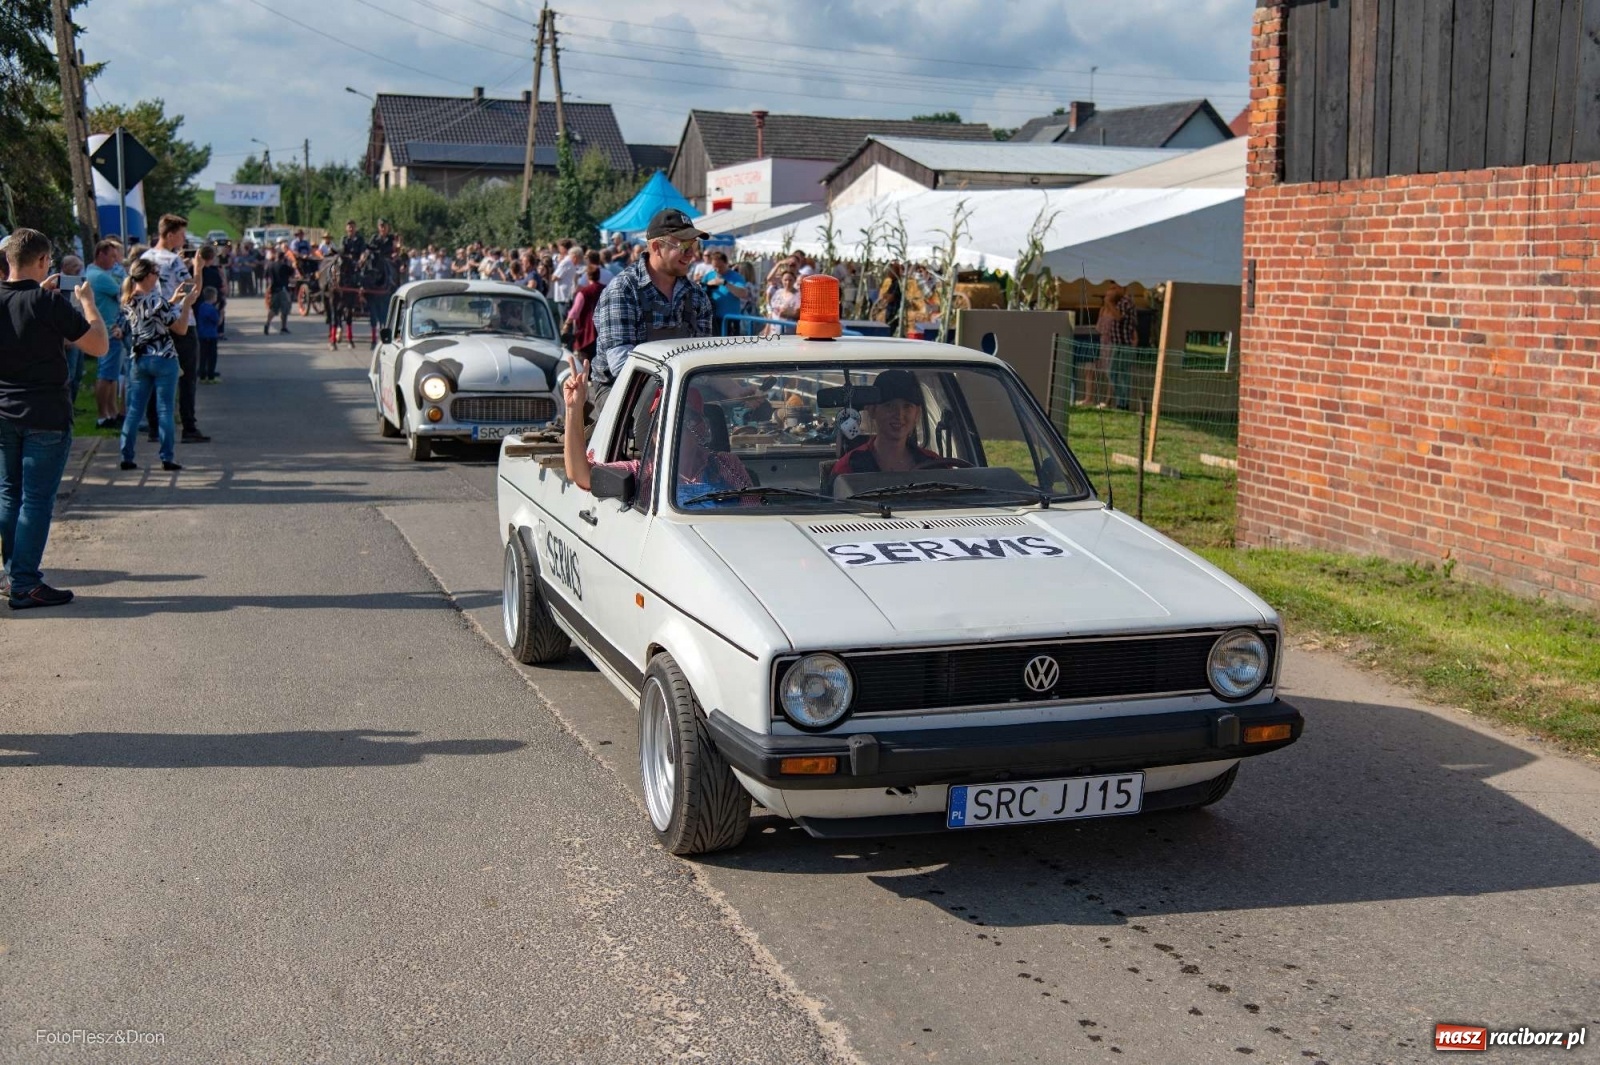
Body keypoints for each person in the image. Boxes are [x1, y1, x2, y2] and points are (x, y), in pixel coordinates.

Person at [0, 229, 109, 608]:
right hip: (45, 413)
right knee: (36, 500)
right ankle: (25, 583)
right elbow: (98, 344)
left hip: (4, 411)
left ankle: (13, 574)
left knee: (9, 494)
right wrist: (88, 303)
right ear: (44, 260)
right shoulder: (47, 303)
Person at [561, 362, 752, 509]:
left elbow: (753, 507)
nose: (666, 430)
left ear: (701, 428)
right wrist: (573, 409)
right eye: (659, 423)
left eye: (683, 421)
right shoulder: (643, 473)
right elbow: (581, 474)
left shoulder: (726, 464)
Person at [589, 208, 714, 420]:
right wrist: (678, 387)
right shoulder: (623, 290)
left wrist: (735, 388)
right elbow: (622, 366)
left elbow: (704, 355)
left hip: (680, 387)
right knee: (654, 423)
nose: (691, 254)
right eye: (684, 246)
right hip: (620, 388)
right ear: (656, 247)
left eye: (694, 245)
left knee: (719, 416)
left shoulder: (696, 296)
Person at [119, 257, 197, 473]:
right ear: (147, 276)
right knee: (165, 410)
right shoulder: (156, 300)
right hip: (164, 357)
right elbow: (180, 329)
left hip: (140, 359)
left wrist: (173, 300)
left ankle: (126, 456)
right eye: (155, 273)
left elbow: (152, 314)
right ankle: (166, 457)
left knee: (135, 410)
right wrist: (186, 305)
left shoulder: (128, 300)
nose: (157, 277)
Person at [141, 214, 210, 444]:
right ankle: (189, 426)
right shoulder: (173, 260)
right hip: (181, 320)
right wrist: (198, 269)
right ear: (170, 235)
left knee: (155, 374)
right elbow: (193, 290)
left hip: (154, 322)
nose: (183, 239)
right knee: (187, 376)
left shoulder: (145, 257)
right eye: (181, 234)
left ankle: (154, 426)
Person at [830, 369, 944, 477]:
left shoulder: (934, 464)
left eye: (907, 406)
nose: (899, 414)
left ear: (917, 413)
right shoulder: (848, 467)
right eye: (889, 405)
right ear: (872, 410)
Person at [86, 240, 127, 429]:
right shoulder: (100, 276)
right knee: (106, 375)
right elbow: (124, 293)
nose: (115, 261)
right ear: (100, 254)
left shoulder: (94, 273)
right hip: (109, 330)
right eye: (112, 256)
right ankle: (103, 416)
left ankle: (111, 412)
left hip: (107, 329)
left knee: (111, 376)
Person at [1094, 284, 1136, 409]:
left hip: (1124, 344)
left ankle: (1123, 403)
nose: (1110, 292)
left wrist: (1108, 303)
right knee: (1112, 373)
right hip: (1116, 344)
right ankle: (1120, 400)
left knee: (1123, 374)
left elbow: (1119, 317)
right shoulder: (1118, 303)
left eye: (1113, 288)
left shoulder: (1125, 302)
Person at [702, 251, 749, 336]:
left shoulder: (736, 277)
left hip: (730, 320)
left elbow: (743, 293)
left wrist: (725, 283)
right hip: (713, 319)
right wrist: (705, 286)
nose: (717, 270)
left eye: (720, 267)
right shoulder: (709, 276)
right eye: (715, 267)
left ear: (726, 263)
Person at [565, 264, 605, 362]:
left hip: (587, 330)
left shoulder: (584, 292)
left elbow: (575, 311)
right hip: (603, 329)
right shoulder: (606, 290)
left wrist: (566, 324)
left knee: (584, 360)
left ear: (587, 276)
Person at [264, 248, 293, 334]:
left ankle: (267, 323)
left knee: (273, 309)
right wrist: (290, 264)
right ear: (282, 258)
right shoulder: (284, 266)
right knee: (284, 310)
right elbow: (292, 272)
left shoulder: (270, 265)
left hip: (274, 289)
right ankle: (283, 327)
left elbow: (266, 276)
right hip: (283, 289)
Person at [195, 287, 222, 382]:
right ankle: (211, 375)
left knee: (203, 355)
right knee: (212, 356)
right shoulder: (212, 309)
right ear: (213, 297)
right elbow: (218, 322)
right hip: (211, 335)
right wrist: (221, 313)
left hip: (202, 334)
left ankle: (202, 374)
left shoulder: (201, 307)